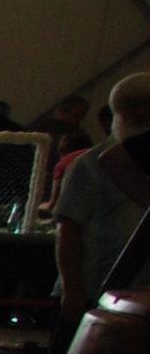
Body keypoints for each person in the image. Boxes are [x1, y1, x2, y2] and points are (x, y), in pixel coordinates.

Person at [52, 74, 150, 315]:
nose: (141, 113)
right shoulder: (87, 165)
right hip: (93, 289)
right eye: (133, 106)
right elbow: (67, 231)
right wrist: (73, 291)